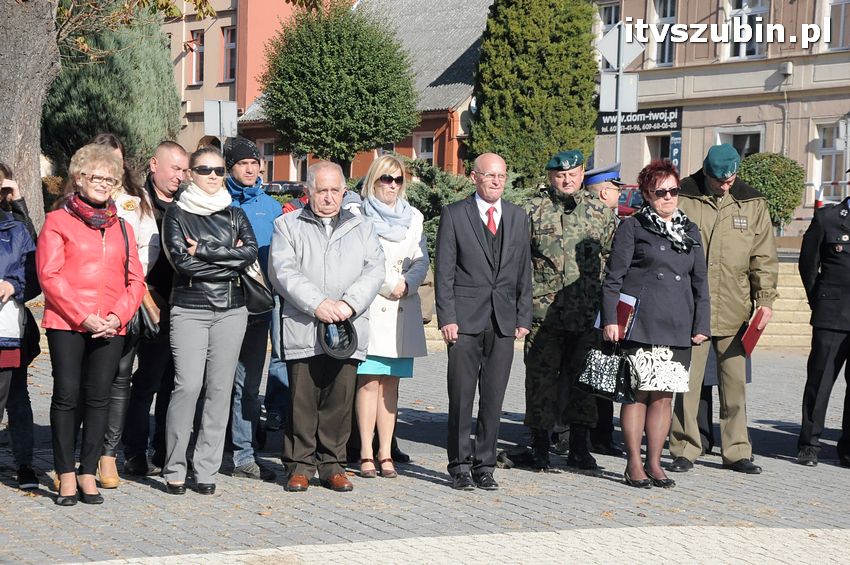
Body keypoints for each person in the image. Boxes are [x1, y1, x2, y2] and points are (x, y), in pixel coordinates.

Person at [37, 144, 146, 505]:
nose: (102, 184)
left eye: (109, 179)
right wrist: (84, 315)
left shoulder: (124, 228)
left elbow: (136, 280)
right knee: (67, 396)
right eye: (95, 177)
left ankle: (88, 473)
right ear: (79, 179)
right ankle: (65, 473)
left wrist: (118, 315)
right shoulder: (57, 221)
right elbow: (49, 275)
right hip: (68, 323)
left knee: (99, 399)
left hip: (110, 325)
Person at [269, 161, 384, 493]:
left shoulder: (362, 227)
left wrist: (348, 304)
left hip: (348, 326)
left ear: (344, 192)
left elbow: (374, 269)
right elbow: (283, 271)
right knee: (302, 400)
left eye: (336, 190)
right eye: (322, 190)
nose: (329, 197)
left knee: (339, 398)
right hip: (305, 324)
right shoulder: (287, 225)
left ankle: (332, 464)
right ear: (308, 191)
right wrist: (318, 303)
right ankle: (300, 465)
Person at [668, 143, 778, 475]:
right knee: (686, 383)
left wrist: (766, 301)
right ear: (707, 172)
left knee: (734, 385)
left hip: (735, 308)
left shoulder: (752, 202)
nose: (725, 185)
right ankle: (684, 447)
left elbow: (764, 257)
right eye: (719, 180)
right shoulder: (684, 196)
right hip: (692, 307)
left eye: (730, 180)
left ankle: (737, 450)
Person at [602, 159, 710, 488]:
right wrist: (610, 320)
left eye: (673, 191)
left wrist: (701, 322)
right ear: (647, 195)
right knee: (638, 394)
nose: (667, 198)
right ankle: (634, 462)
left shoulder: (690, 230)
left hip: (677, 322)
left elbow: (700, 282)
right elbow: (613, 279)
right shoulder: (633, 227)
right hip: (641, 322)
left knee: (664, 397)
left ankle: (655, 462)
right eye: (660, 192)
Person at [160, 147, 258, 495]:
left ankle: (205, 469)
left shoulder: (234, 212)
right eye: (205, 170)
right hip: (189, 307)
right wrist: (227, 258)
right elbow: (181, 264)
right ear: (190, 174)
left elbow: (249, 254)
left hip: (232, 309)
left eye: (219, 170)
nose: (214, 176)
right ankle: (173, 466)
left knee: (219, 390)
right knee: (187, 387)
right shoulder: (177, 213)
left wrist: (201, 249)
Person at [436, 152, 532, 491]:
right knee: (461, 396)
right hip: (463, 320)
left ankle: (485, 464)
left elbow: (524, 270)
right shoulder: (455, 214)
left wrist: (524, 315)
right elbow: (444, 272)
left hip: (503, 321)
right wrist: (446, 317)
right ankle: (459, 465)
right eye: (489, 175)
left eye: (501, 176)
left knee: (494, 397)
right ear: (474, 177)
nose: (496, 181)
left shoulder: (519, 217)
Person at [523, 150, 617, 471]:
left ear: (582, 174)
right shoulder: (533, 211)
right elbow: (518, 261)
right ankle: (538, 446)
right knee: (539, 381)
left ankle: (580, 446)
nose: (567, 180)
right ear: (551, 176)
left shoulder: (599, 213)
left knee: (585, 383)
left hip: (586, 315)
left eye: (573, 174)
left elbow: (616, 257)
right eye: (560, 175)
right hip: (542, 315)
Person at [85, 133, 160, 489]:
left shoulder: (136, 201)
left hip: (125, 300)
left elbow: (148, 247)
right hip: (85, 303)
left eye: (116, 160)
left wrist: (132, 285)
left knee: (119, 378)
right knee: (83, 380)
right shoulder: (73, 201)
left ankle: (108, 454)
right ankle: (81, 450)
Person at [354, 155, 428, 479]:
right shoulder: (359, 214)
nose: (393, 185)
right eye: (386, 179)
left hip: (402, 307)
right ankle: (365, 452)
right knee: (370, 382)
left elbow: (421, 259)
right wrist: (387, 284)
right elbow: (359, 259)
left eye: (398, 180)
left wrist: (409, 283)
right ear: (374, 179)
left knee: (391, 387)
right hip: (373, 304)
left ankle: (386, 452)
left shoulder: (414, 217)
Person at [122, 141, 188, 476]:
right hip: (147, 304)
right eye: (175, 168)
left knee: (174, 382)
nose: (180, 176)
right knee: (146, 380)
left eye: (184, 169)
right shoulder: (135, 203)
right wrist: (146, 298)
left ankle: (164, 450)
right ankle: (133, 450)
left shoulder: (187, 203)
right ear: (153, 164)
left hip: (183, 305)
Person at [222, 137, 281, 482]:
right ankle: (208, 448)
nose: (250, 168)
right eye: (242, 163)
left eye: (254, 162)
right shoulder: (217, 201)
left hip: (257, 310)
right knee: (212, 382)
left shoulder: (270, 208)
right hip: (220, 306)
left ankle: (244, 452)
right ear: (230, 166)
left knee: (247, 385)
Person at [796, 187, 850, 467]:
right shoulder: (828, 218)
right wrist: (818, 300)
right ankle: (809, 444)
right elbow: (808, 264)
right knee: (820, 380)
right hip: (832, 314)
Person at [0, 163, 41, 490]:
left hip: (8, 331)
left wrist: (13, 285)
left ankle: (24, 462)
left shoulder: (15, 228)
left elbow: (37, 273)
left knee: (16, 394)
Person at [583, 161, 626, 457]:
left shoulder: (613, 220)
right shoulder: (595, 220)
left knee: (604, 370)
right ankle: (592, 434)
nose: (619, 195)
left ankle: (601, 434)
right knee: (591, 371)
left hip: (603, 306)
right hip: (590, 305)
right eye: (615, 190)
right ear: (602, 194)